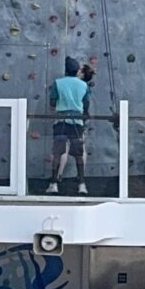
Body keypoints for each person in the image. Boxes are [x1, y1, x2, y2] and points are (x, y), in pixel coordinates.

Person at [47, 60, 91, 196]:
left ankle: (54, 184)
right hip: (77, 122)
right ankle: (82, 185)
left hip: (61, 122)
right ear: (77, 70)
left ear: (65, 70)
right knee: (79, 153)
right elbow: (86, 105)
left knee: (58, 153)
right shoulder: (83, 85)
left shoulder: (58, 83)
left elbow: (52, 102)